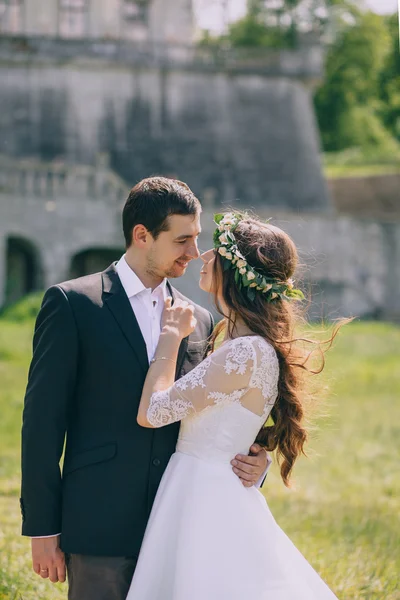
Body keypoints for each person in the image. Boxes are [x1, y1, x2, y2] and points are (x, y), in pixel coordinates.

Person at [20, 179, 270, 600]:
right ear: (142, 235)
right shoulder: (72, 304)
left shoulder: (201, 321)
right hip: (99, 525)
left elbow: (216, 412)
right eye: (183, 240)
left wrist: (255, 464)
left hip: (180, 528)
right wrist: (43, 527)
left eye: (196, 239)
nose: (194, 253)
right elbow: (42, 424)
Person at [126, 211, 340, 599]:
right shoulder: (238, 341)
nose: (204, 256)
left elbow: (152, 412)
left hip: (204, 495)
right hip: (205, 484)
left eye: (217, 251)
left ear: (236, 272)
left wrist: (171, 337)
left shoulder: (244, 351)